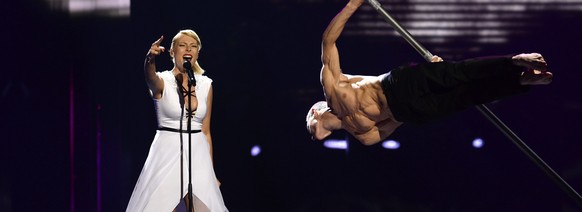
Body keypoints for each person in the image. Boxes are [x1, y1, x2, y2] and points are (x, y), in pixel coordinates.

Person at [305, 0, 553, 146]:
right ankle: (520, 80)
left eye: (309, 126)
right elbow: (394, 122)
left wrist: (353, 4)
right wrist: (416, 100)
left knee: (455, 74)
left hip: (396, 86)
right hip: (408, 110)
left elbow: (328, 42)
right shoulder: (362, 136)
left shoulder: (334, 88)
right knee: (464, 97)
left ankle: (513, 61)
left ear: (315, 111)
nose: (313, 134)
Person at [126, 29, 228, 212]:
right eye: (182, 45)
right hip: (167, 151)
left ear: (197, 52)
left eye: (193, 46)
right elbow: (150, 78)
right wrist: (150, 59)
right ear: (172, 52)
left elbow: (206, 131)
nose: (188, 48)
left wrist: (210, 172)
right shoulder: (163, 80)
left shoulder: (205, 85)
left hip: (198, 155)